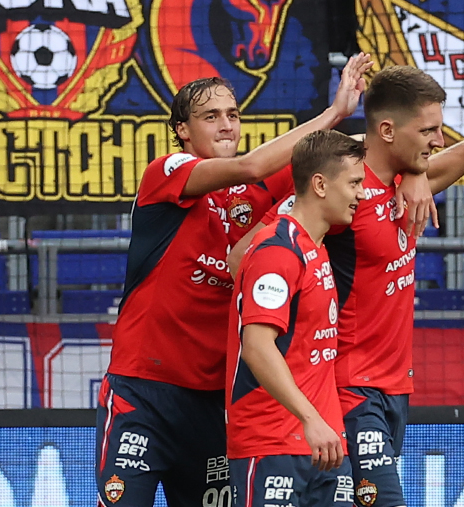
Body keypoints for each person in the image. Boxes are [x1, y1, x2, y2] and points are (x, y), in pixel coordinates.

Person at [229, 65, 464, 507]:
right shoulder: (340, 196)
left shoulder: (396, 183)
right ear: (388, 131)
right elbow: (245, 254)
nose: (438, 140)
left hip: (395, 387)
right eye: (428, 131)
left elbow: (435, 167)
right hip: (349, 387)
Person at [95, 53, 373, 507]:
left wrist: (415, 174)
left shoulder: (256, 192)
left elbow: (346, 161)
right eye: (210, 117)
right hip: (143, 393)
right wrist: (334, 113)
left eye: (233, 115)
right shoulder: (166, 172)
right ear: (183, 130)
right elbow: (251, 166)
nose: (226, 125)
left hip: (213, 400)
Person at [227, 130, 366, 507]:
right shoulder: (278, 250)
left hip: (324, 445)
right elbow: (256, 347)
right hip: (273, 443)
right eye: (354, 183)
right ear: (320, 185)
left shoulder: (314, 248)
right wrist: (310, 419)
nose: (361, 193)